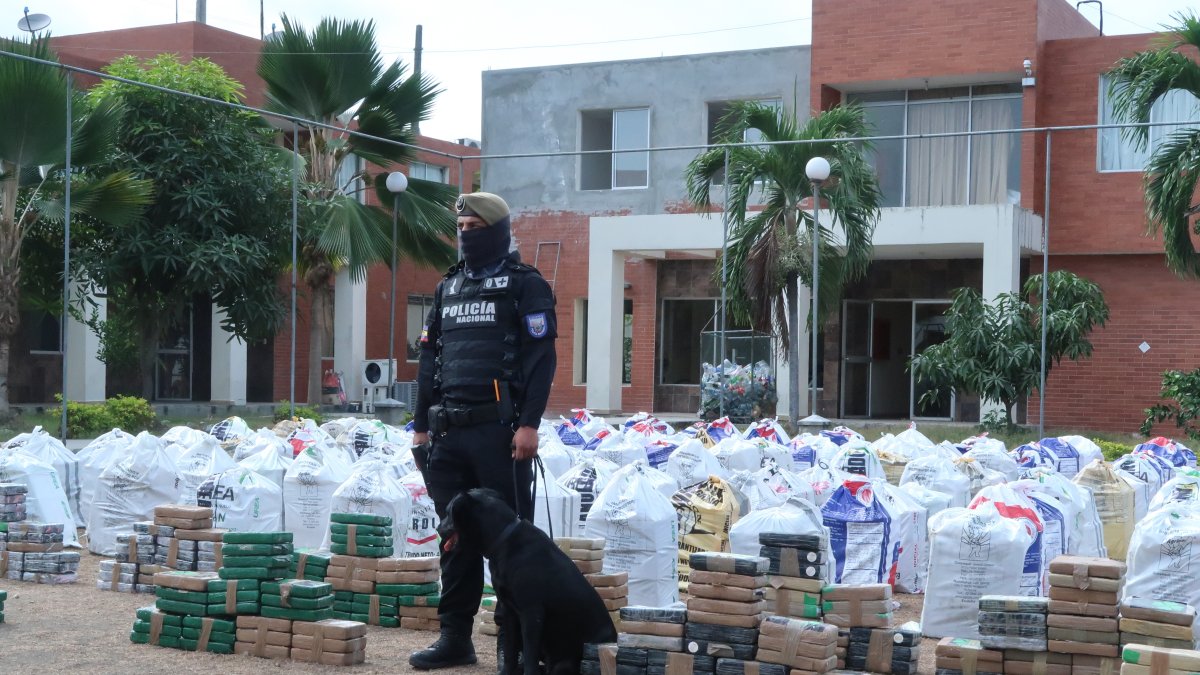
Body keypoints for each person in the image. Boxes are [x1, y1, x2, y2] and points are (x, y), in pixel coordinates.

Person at [409, 191, 557, 670]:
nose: (466, 236)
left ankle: (515, 645)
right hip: (448, 435)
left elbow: (541, 359)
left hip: (500, 435)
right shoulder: (447, 287)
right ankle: (455, 638)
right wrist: (420, 428)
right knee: (454, 540)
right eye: (461, 229)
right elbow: (430, 360)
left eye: (475, 228)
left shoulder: (525, 285)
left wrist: (529, 424)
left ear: (496, 230)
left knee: (510, 544)